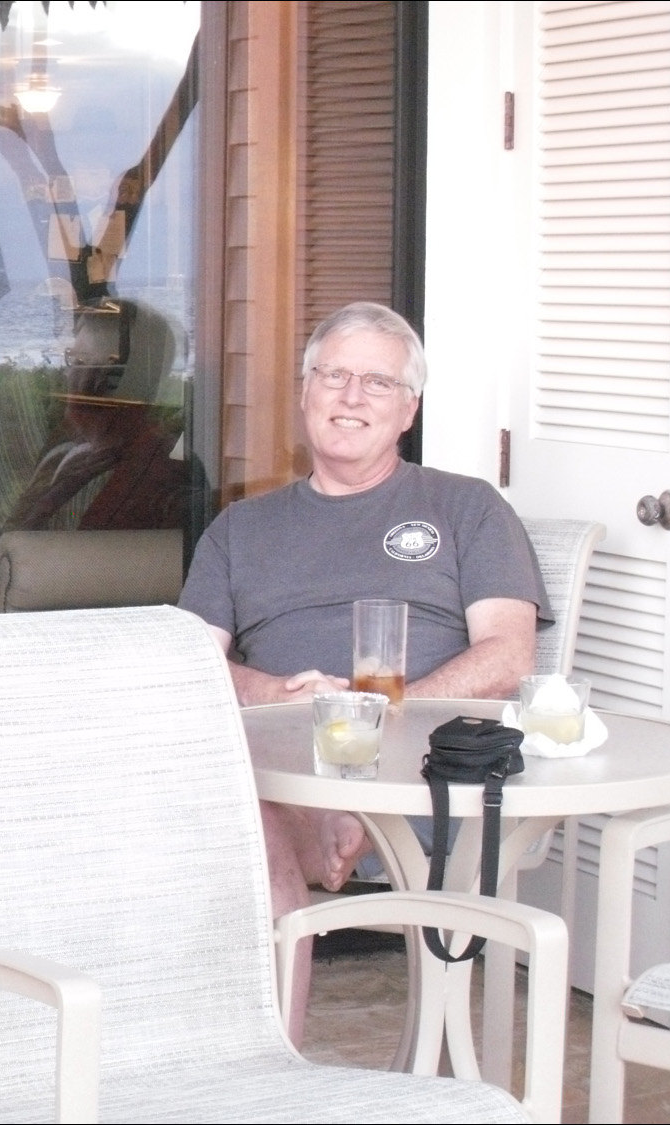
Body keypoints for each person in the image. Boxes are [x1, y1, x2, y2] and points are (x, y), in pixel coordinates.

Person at [177, 301, 549, 1043]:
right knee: (240, 790)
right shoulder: (239, 528)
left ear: (408, 408)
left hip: (426, 768)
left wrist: (374, 718)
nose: (350, 397)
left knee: (253, 809)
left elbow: (509, 655)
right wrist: (276, 694)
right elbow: (190, 662)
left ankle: (265, 1058)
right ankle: (265, 1059)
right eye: (334, 375)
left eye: (376, 383)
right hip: (272, 761)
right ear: (305, 391)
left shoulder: (466, 507)